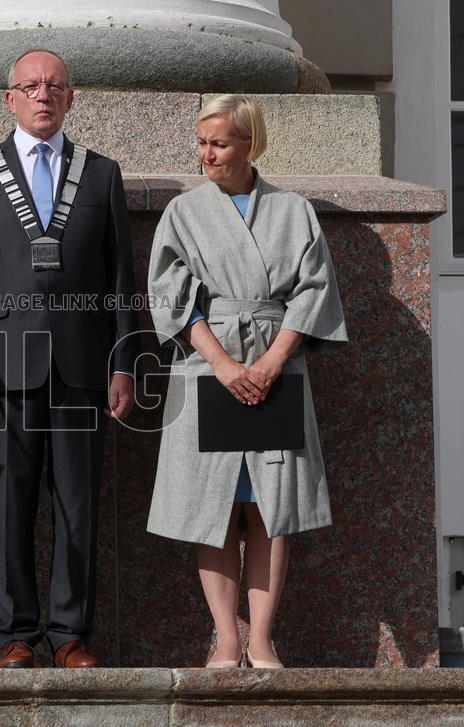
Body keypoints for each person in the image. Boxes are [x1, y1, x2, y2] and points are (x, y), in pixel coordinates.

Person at [0, 49, 139, 668]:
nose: (42, 95)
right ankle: (16, 636)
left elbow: (120, 281)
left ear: (71, 98)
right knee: (10, 503)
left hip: (82, 366)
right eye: (30, 86)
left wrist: (123, 363)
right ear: (10, 99)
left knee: (78, 501)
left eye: (54, 86)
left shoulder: (102, 175)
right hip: (1, 365)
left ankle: (71, 634)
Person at [146, 95, 347, 669]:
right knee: (212, 506)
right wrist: (226, 365)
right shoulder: (184, 212)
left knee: (270, 508)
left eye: (220, 144)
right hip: (207, 367)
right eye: (202, 142)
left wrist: (271, 361)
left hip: (276, 367)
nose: (206, 154)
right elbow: (170, 293)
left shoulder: (292, 210)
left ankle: (261, 637)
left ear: (249, 145)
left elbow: (313, 290)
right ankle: (225, 638)